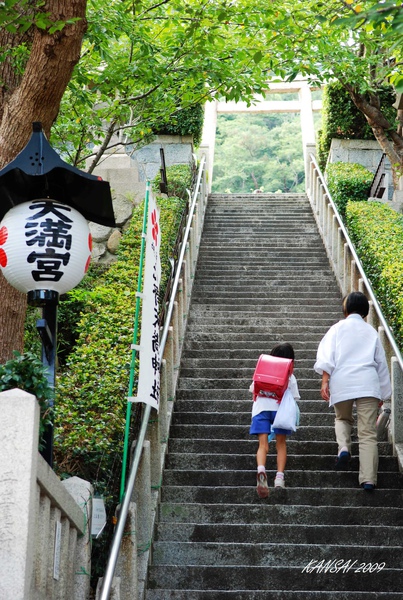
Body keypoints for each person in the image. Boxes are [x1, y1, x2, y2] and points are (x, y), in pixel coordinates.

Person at [314, 291, 392, 491]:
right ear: (366, 311)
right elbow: (381, 364)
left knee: (342, 419)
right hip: (368, 383)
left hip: (342, 382)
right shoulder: (371, 332)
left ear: (345, 308)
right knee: (367, 434)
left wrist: (325, 381)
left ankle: (344, 448)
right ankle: (368, 479)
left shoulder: (336, 329)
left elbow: (326, 356)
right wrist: (384, 393)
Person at [249, 342, 300, 498]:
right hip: (280, 411)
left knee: (263, 445)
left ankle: (261, 470)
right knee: (281, 444)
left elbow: (253, 389)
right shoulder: (290, 376)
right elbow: (295, 397)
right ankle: (279, 477)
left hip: (261, 410)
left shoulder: (263, 370)